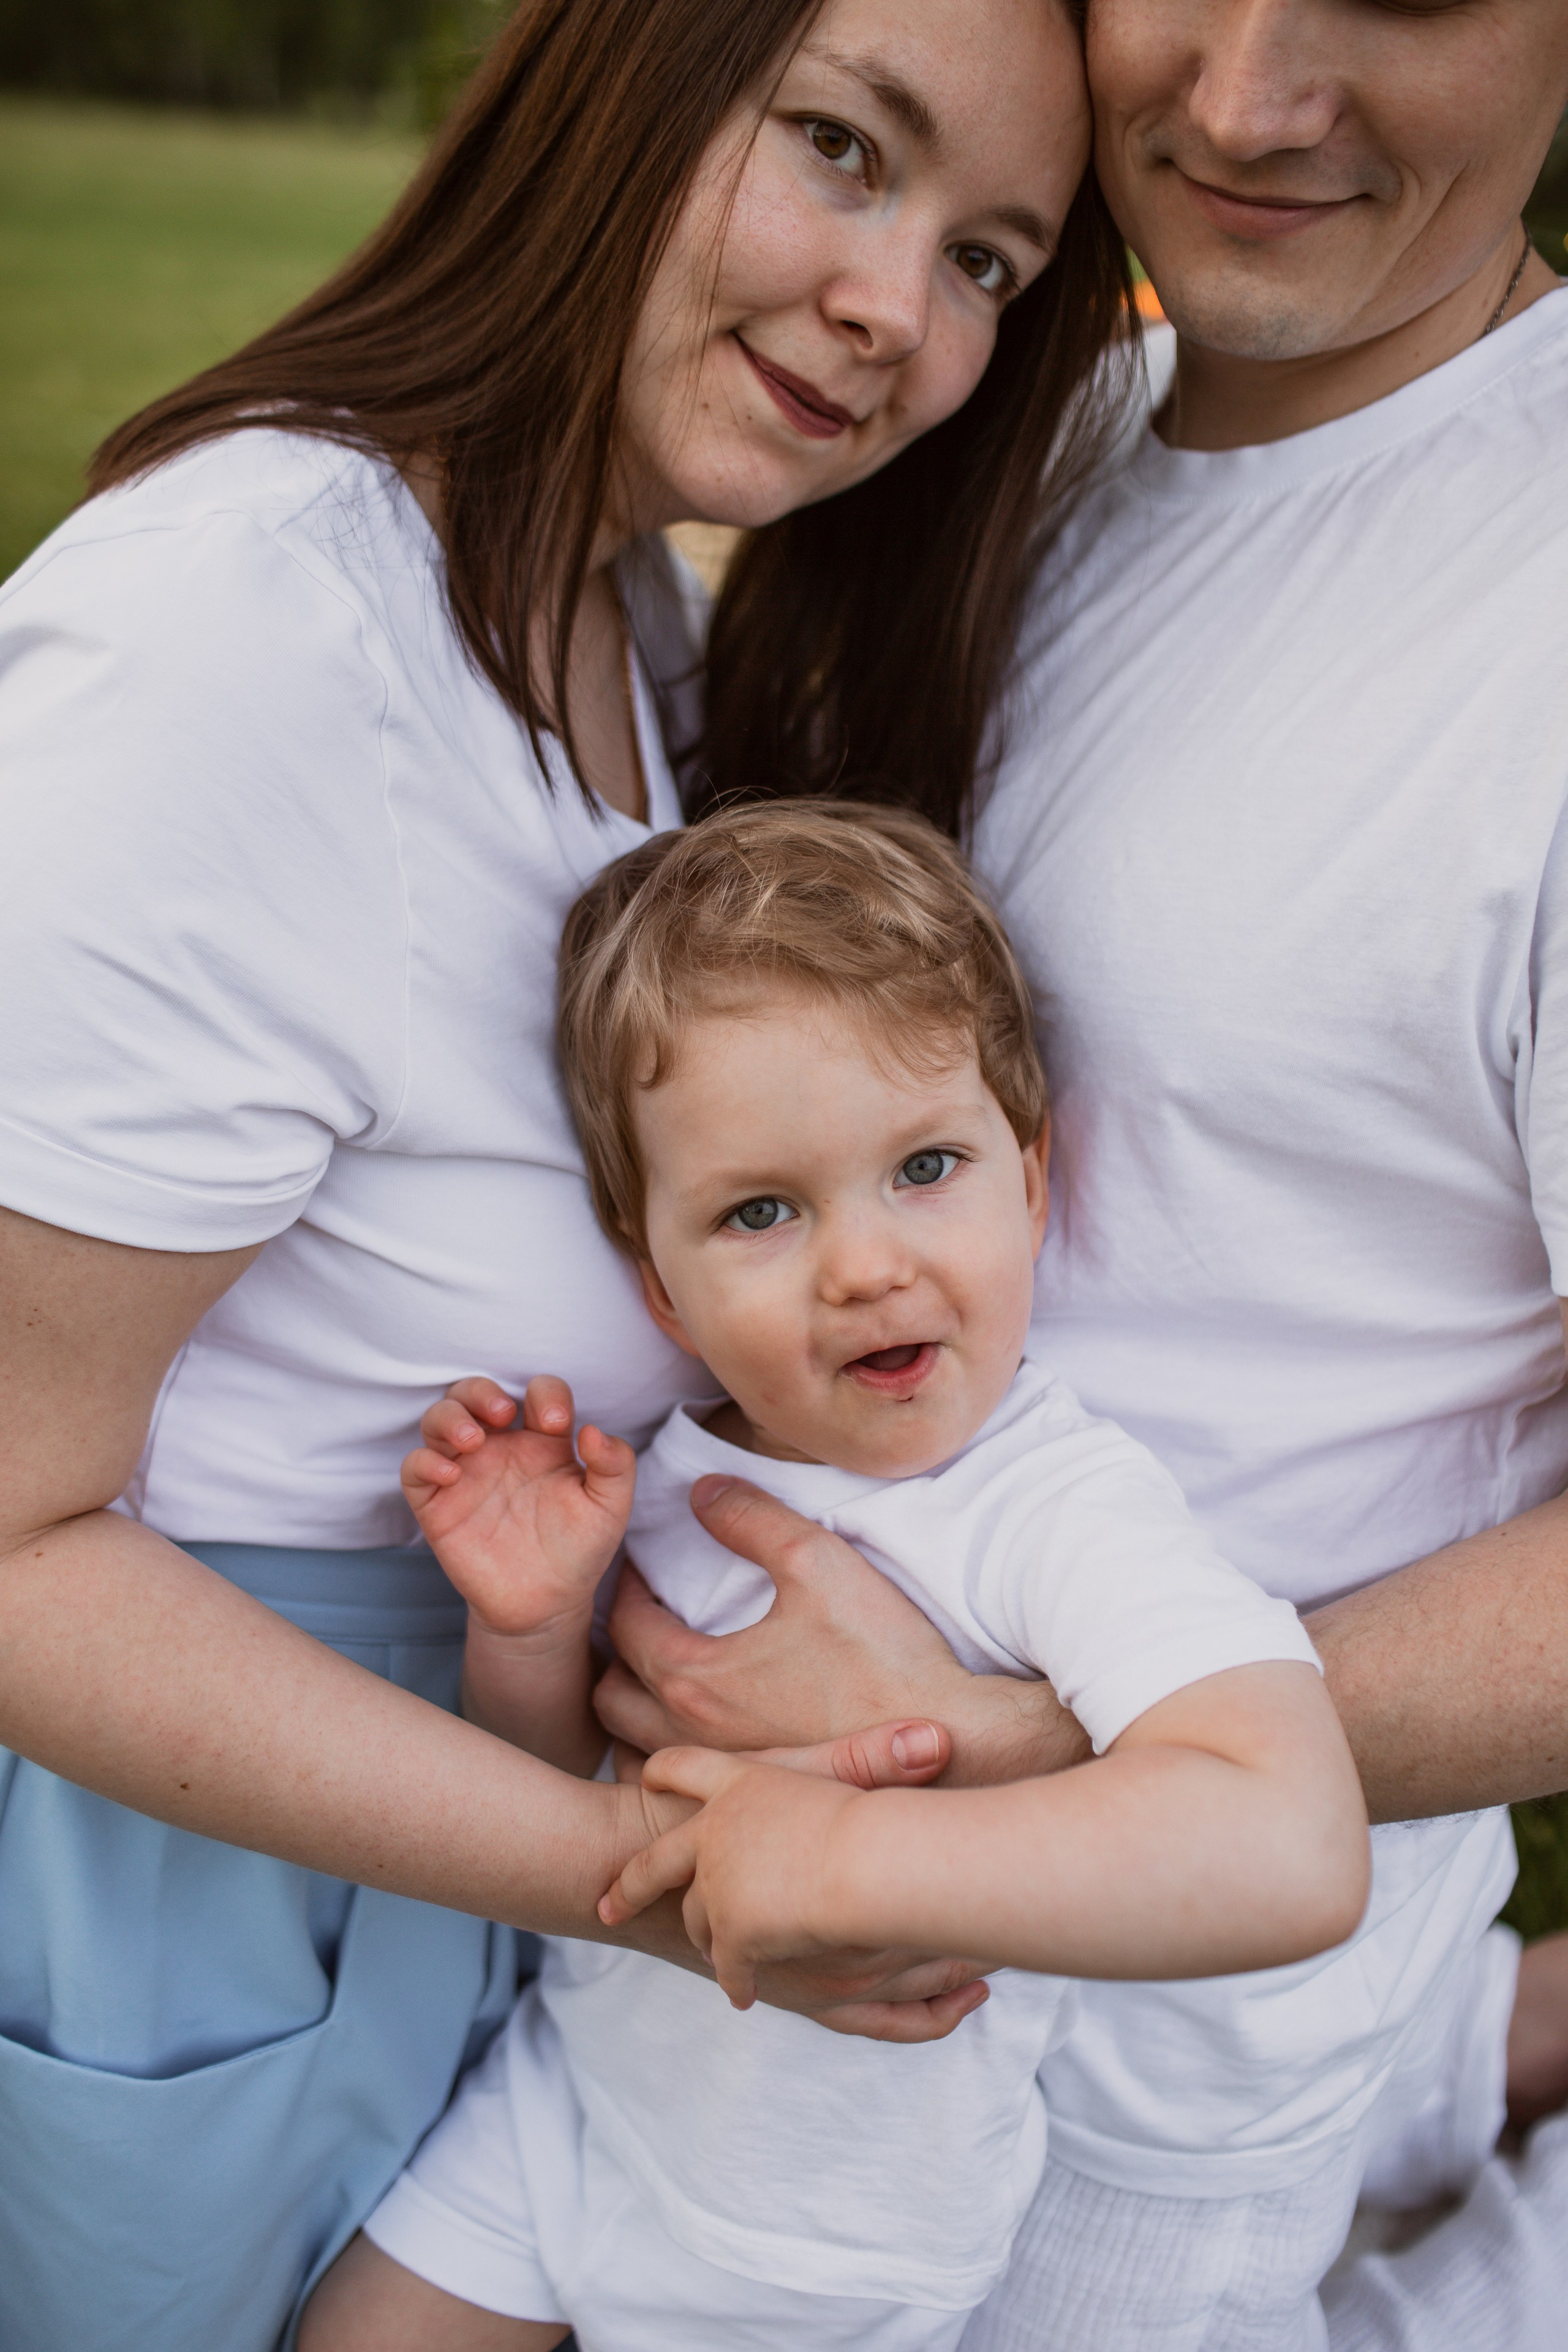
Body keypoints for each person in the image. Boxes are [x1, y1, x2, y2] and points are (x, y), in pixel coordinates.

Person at [0, 3, 1126, 2345]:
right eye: (842, 148)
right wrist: (676, 1867)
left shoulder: (627, 617)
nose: (901, 317)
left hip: (436, 1833)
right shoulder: (243, 631)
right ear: (619, 75)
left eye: (995, 263)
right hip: (184, 1867)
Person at [582, 4, 1568, 2345]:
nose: (1241, 102)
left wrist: (1061, 1743)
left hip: (1140, 2088)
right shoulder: (1030, 419)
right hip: (676, 1993)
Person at [301, 802, 1362, 2351]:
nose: (861, 1266)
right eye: (760, 1211)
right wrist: (527, 1632)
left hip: (813, 2227)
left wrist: (849, 1864)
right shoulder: (663, 1472)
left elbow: (1291, 1842)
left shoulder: (1053, 1506)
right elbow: (577, 1813)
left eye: (924, 1166)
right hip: (570, 2104)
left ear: (1032, 1177)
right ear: (654, 1276)